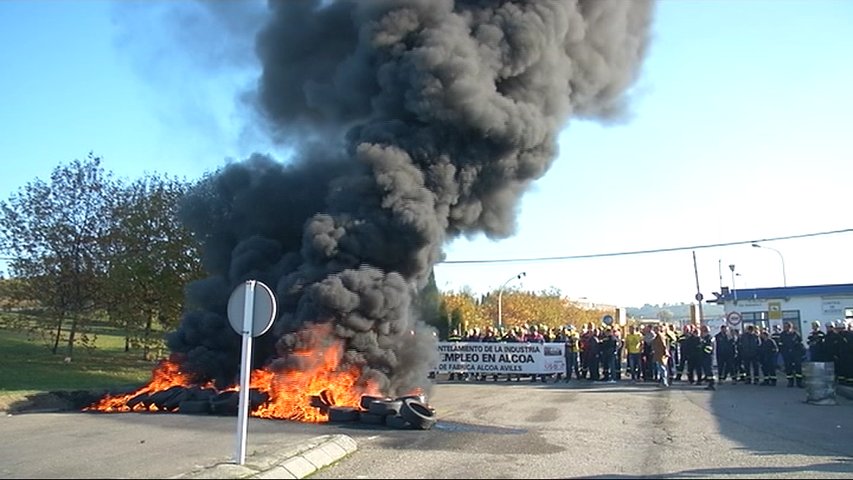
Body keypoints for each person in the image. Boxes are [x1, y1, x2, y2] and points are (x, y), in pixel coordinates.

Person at [778, 321, 805, 388]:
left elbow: (800, 344)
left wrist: (800, 353)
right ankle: (790, 382)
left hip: (796, 354)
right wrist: (783, 352)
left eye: (788, 327)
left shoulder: (795, 334)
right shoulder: (782, 335)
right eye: (785, 327)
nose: (786, 328)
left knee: (798, 368)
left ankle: (799, 382)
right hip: (787, 354)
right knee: (788, 368)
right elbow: (780, 345)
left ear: (791, 327)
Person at [698, 325, 716, 390]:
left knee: (709, 371)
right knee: (707, 371)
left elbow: (709, 348)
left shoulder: (709, 338)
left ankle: (711, 384)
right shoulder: (705, 338)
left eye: (702, 332)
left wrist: (702, 349)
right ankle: (709, 384)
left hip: (708, 357)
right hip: (705, 357)